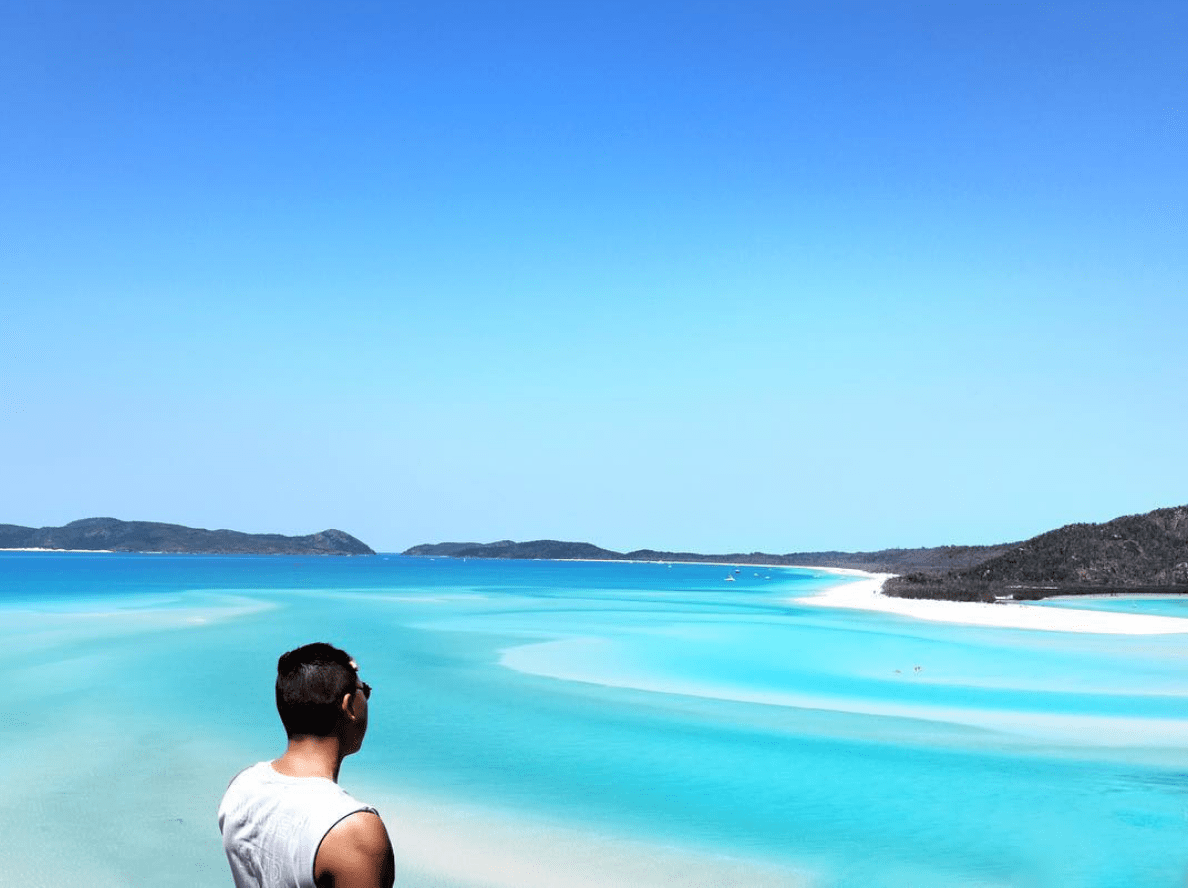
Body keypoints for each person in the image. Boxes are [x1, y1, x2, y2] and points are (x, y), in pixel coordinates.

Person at [218, 642, 395, 888]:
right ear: (349, 706)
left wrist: (343, 676)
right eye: (364, 690)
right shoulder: (354, 831)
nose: (366, 695)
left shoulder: (241, 788)